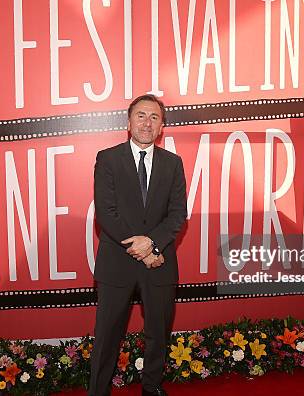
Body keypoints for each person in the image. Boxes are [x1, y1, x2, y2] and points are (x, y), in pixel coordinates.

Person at [88, 94, 187, 396]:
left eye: (154, 117)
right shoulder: (108, 158)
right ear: (128, 122)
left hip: (158, 263)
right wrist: (143, 249)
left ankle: (152, 386)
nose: (147, 122)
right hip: (118, 262)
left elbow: (177, 214)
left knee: (158, 332)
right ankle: (98, 391)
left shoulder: (173, 164)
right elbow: (107, 213)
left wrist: (152, 244)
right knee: (107, 335)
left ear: (162, 127)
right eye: (141, 115)